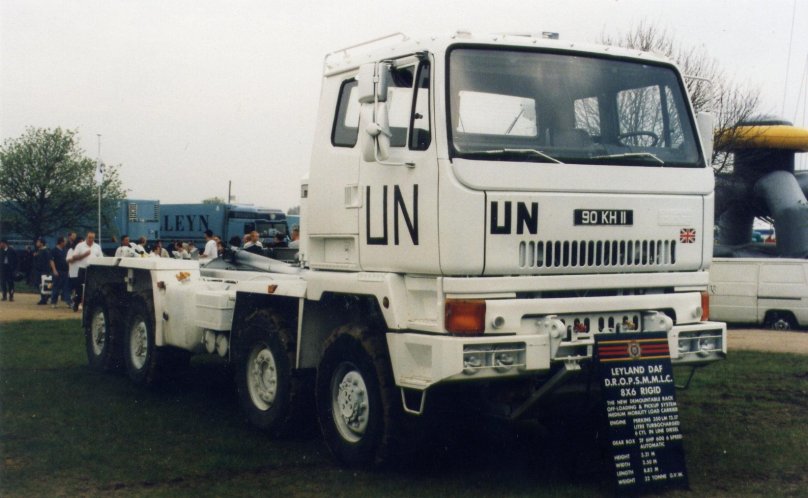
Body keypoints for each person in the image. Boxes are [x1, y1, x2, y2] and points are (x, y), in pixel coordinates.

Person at [72, 231, 104, 311]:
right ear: (86, 237)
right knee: (79, 288)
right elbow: (75, 256)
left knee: (91, 288)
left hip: (92, 270)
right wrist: (83, 255)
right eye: (89, 237)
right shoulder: (80, 246)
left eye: (93, 238)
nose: (91, 239)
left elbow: (101, 258)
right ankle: (76, 303)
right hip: (82, 268)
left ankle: (88, 306)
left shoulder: (97, 246)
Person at [50, 237, 71, 307]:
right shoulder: (54, 250)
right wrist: (54, 270)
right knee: (56, 287)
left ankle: (68, 302)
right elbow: (51, 261)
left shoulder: (66, 250)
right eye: (65, 241)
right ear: (61, 242)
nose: (66, 243)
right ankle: (53, 302)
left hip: (65, 271)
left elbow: (68, 261)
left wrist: (69, 270)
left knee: (66, 287)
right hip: (58, 271)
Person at [32, 238, 53, 305]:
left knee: (44, 285)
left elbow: (48, 261)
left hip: (44, 271)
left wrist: (48, 271)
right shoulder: (39, 250)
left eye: (38, 242)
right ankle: (44, 298)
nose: (37, 243)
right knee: (40, 285)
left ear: (41, 243)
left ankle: (45, 298)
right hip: (38, 270)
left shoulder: (46, 251)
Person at [66, 236, 83, 309]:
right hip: (73, 273)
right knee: (74, 289)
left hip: (81, 272)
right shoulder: (71, 250)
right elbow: (69, 260)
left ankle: (79, 303)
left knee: (80, 289)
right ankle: (73, 302)